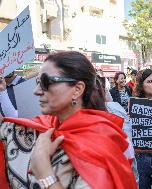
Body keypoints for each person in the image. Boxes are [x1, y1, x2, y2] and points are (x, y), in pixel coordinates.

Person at [0, 51, 137, 189]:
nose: (36, 91)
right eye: (37, 82)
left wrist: (44, 173)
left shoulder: (102, 143)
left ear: (77, 89)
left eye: (46, 82)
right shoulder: (38, 128)